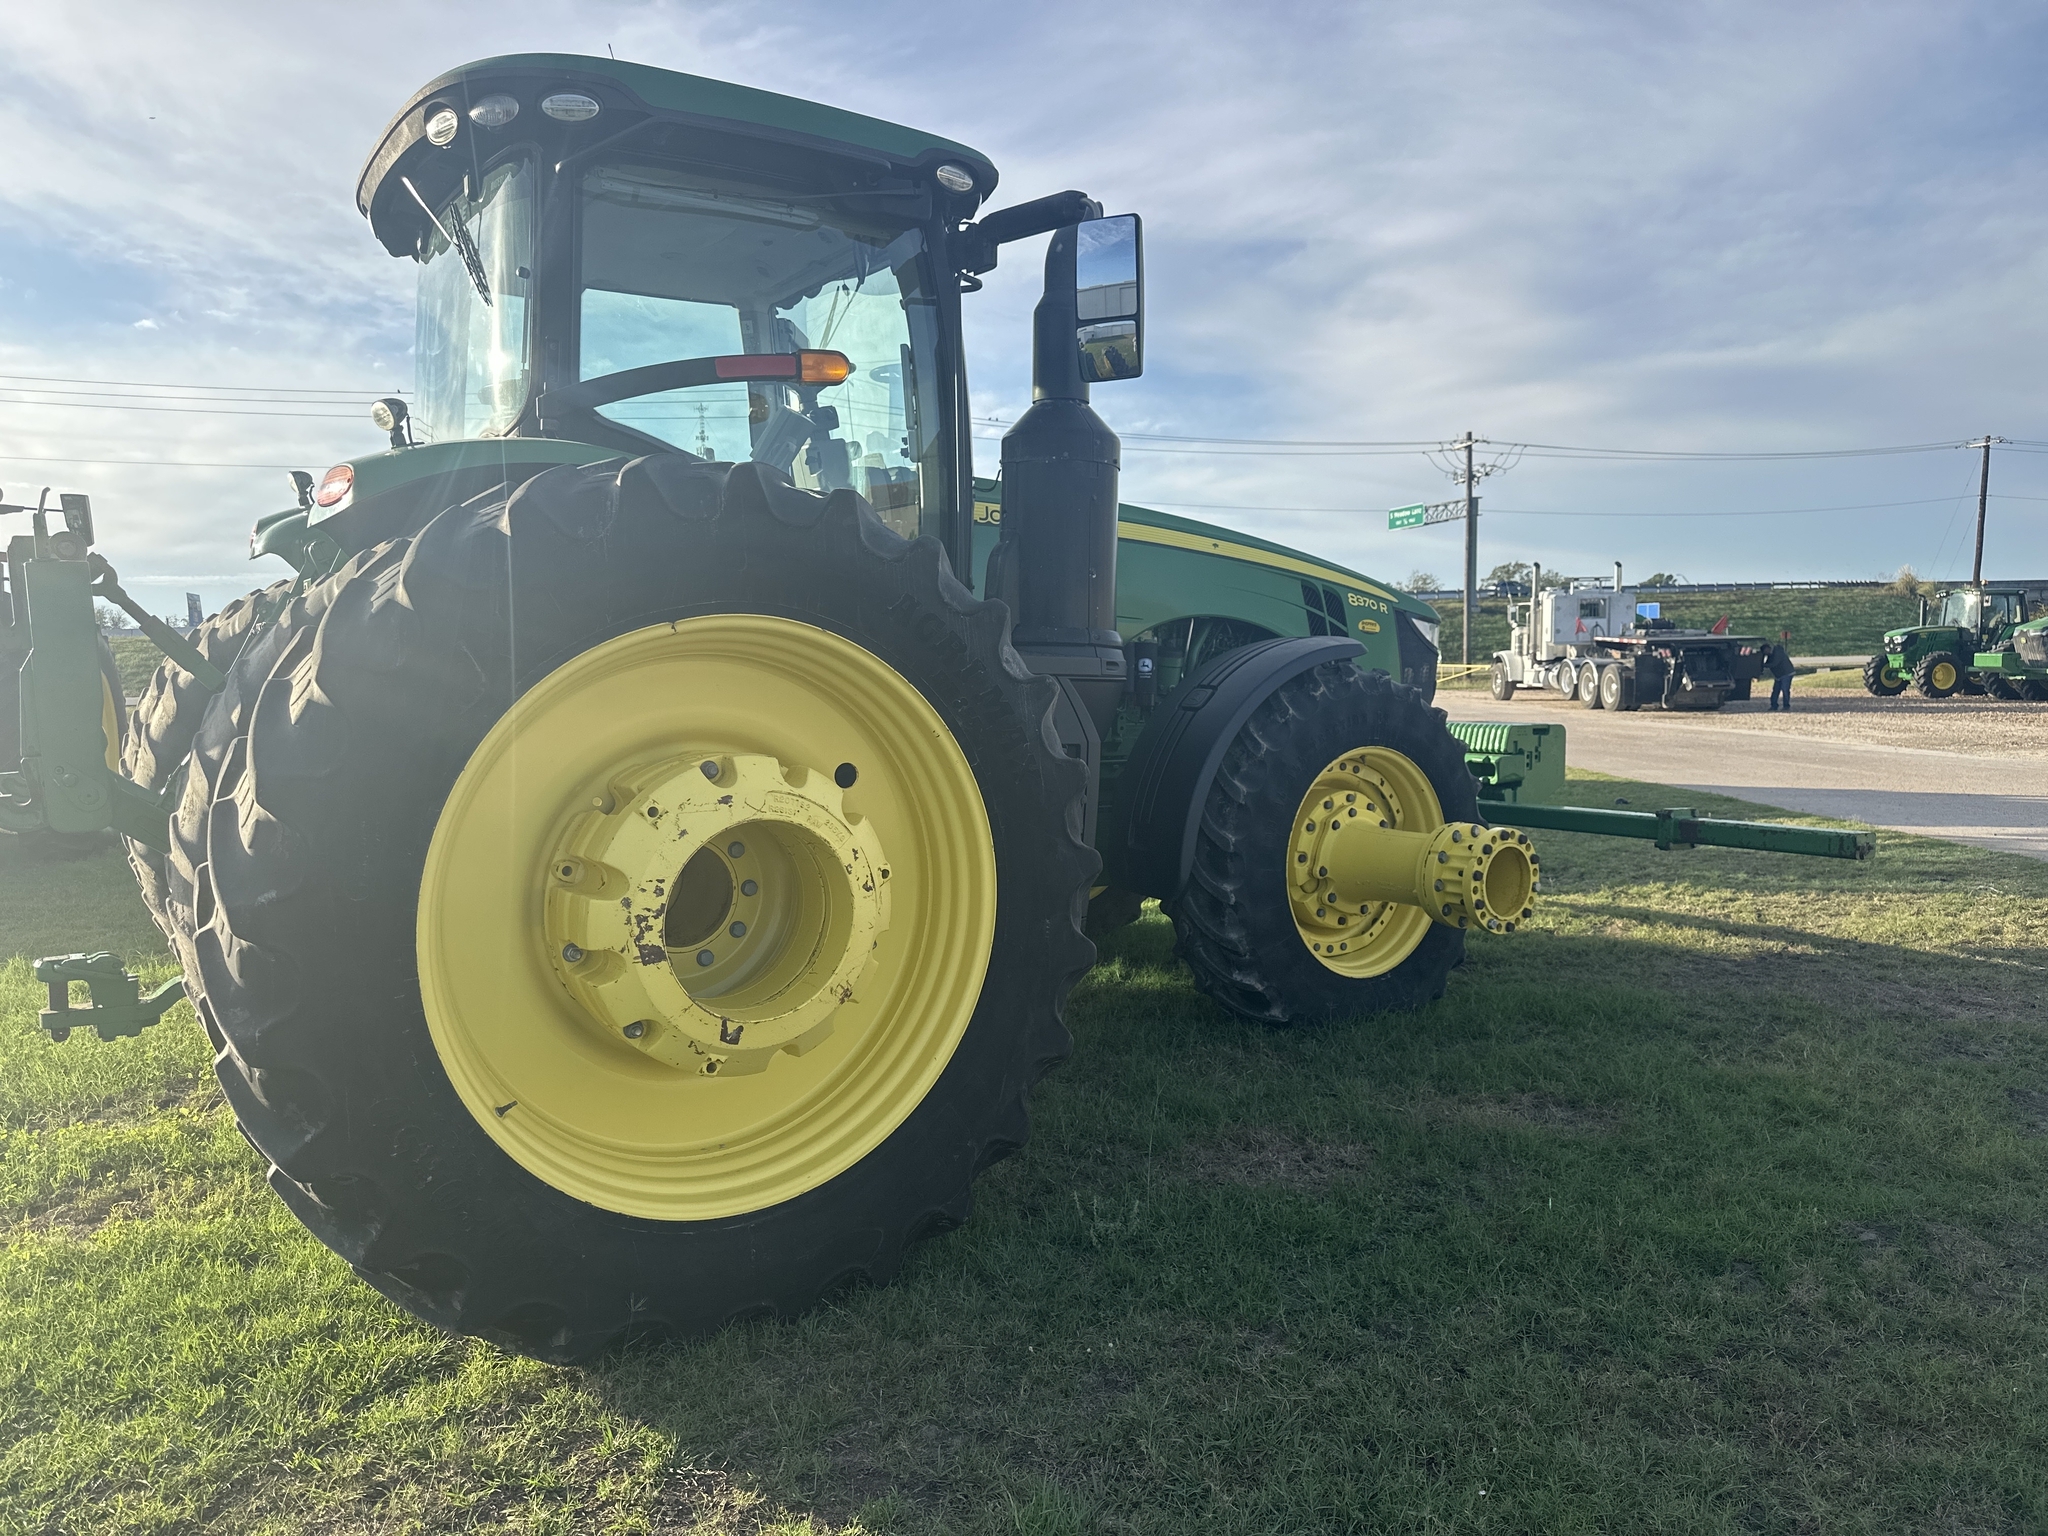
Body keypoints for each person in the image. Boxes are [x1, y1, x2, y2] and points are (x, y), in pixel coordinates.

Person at [1765, 641, 1795, 711]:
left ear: (1768, 648)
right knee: (1775, 690)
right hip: (1778, 675)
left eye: (1766, 651)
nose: (1766, 653)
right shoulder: (1770, 655)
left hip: (1787, 673)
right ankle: (1774, 705)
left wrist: (1764, 665)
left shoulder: (1778, 652)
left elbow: (1774, 663)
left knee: (1785, 689)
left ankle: (1786, 706)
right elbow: (1768, 663)